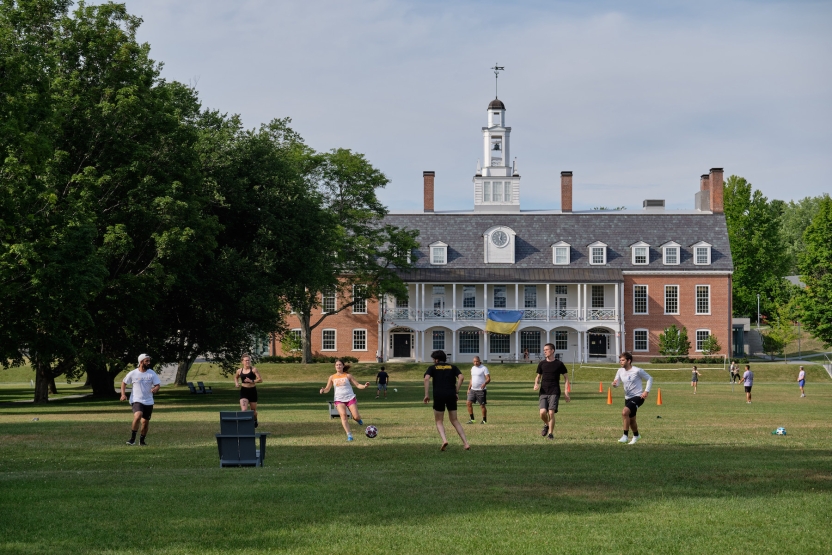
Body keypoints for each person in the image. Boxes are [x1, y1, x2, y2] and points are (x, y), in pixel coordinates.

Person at [424, 350, 470, 451]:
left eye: (433, 359)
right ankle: (466, 443)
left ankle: (444, 440)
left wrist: (426, 394)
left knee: (439, 420)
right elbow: (461, 377)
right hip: (451, 394)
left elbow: (426, 378)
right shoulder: (452, 367)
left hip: (439, 395)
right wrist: (456, 391)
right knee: (454, 420)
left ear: (436, 359)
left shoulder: (432, 368)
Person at [319, 359, 370, 441]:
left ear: (343, 366)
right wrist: (323, 390)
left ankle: (357, 419)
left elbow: (357, 385)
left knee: (356, 416)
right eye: (337, 365)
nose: (338, 366)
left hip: (350, 398)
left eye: (340, 365)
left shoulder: (348, 376)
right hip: (339, 399)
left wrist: (364, 386)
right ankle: (349, 435)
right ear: (335, 367)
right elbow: (327, 388)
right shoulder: (332, 377)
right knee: (343, 416)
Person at [120, 353, 161, 446]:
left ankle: (142, 441)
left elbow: (157, 385)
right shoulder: (133, 373)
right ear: (141, 362)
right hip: (136, 400)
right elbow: (124, 383)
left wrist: (155, 389)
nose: (149, 363)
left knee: (145, 423)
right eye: (147, 361)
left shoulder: (151, 373)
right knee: (138, 415)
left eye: (149, 361)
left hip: (149, 401)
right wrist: (123, 394)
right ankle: (132, 439)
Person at [612, 352, 653, 445]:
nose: (621, 362)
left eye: (623, 360)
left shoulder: (637, 370)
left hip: (639, 396)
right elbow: (617, 383)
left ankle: (625, 436)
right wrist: (615, 384)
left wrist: (646, 391)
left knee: (624, 412)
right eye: (620, 360)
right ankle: (636, 436)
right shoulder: (620, 371)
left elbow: (650, 378)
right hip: (628, 397)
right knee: (632, 420)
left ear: (629, 361)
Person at [533, 343, 570, 440]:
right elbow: (538, 377)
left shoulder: (559, 364)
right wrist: (536, 384)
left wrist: (566, 392)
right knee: (542, 412)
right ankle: (547, 424)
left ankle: (550, 434)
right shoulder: (542, 363)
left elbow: (566, 378)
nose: (544, 351)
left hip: (554, 391)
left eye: (546, 349)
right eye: (544, 350)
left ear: (552, 350)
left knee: (551, 413)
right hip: (543, 391)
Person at [234, 354, 262, 427]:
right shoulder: (239, 371)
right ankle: (245, 425)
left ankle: (255, 420)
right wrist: (237, 384)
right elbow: (236, 378)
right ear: (242, 361)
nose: (248, 362)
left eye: (249, 360)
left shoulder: (253, 369)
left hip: (252, 391)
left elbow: (260, 380)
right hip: (244, 391)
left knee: (253, 411)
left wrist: (252, 381)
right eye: (246, 360)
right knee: (244, 410)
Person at [466, 356, 491, 424]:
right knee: (468, 403)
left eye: (477, 361)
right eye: (474, 361)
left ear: (479, 361)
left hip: (481, 390)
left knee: (482, 405)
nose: (476, 363)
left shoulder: (484, 368)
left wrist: (485, 383)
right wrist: (469, 388)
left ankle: (484, 420)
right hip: (473, 389)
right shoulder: (472, 368)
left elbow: (488, 378)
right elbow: (471, 379)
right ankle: (472, 419)